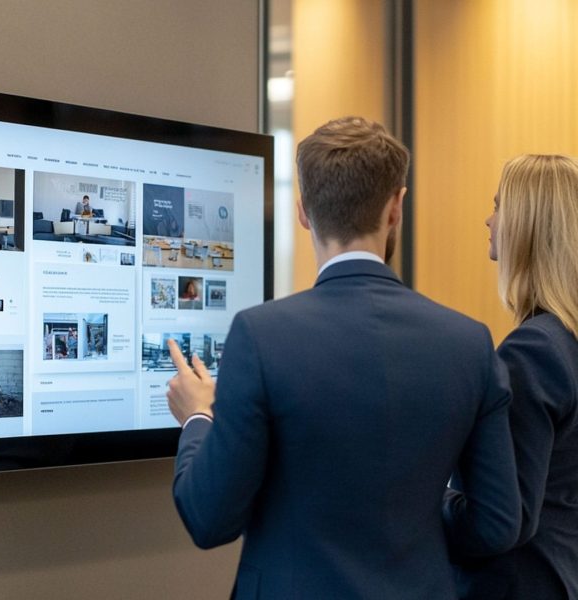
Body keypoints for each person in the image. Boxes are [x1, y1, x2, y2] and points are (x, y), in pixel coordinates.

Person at [166, 116, 521, 599]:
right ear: (396, 207)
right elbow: (497, 525)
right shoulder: (468, 343)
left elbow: (208, 519)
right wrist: (413, 522)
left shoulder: (262, 336)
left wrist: (197, 419)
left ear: (303, 212)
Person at [452, 155, 578, 599]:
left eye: (499, 205)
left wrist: (429, 504)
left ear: (528, 224)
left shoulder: (534, 351)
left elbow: (503, 519)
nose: (489, 219)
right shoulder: (566, 342)